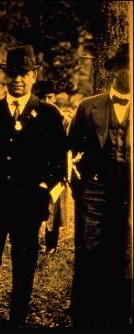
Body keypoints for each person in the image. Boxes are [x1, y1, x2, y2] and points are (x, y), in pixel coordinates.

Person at [0, 45, 67, 329]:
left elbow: (60, 162)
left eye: (23, 73)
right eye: (11, 73)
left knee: (24, 263)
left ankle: (17, 320)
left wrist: (43, 189)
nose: (17, 79)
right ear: (5, 77)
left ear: (34, 75)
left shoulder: (48, 114)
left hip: (29, 206)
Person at [68, 43, 132, 330]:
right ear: (116, 70)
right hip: (94, 191)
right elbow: (70, 152)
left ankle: (118, 318)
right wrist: (81, 186)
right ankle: (84, 318)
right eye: (127, 66)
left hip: (130, 194)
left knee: (123, 253)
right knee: (89, 250)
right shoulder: (88, 106)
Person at [33, 80, 71, 254]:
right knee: (34, 206)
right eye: (43, 97)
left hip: (56, 170)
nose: (47, 100)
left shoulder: (60, 116)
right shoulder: (33, 114)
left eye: (50, 97)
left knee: (54, 208)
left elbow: (65, 146)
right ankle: (31, 240)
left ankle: (51, 245)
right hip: (37, 170)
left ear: (55, 97)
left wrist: (63, 173)